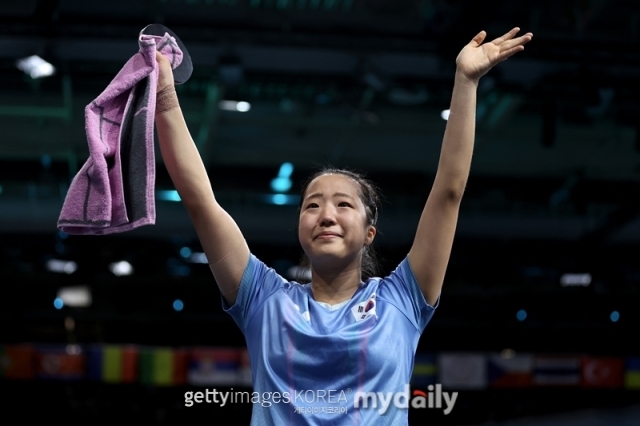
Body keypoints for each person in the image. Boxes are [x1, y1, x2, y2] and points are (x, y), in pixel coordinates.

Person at [154, 27, 532, 425]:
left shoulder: (403, 299)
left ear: (370, 232)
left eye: (343, 204)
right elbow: (199, 201)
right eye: (312, 205)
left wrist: (466, 81)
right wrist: (164, 91)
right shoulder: (262, 299)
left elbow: (449, 193)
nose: (326, 215)